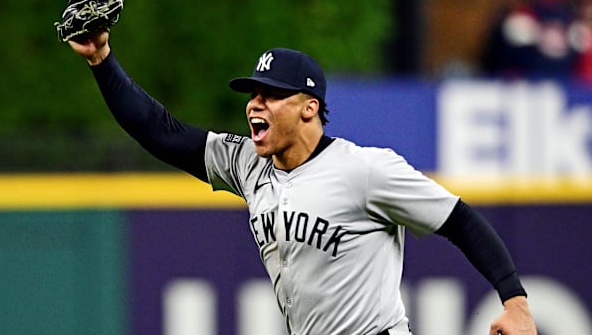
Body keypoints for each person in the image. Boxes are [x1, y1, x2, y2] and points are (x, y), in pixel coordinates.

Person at [67, 31, 538, 335]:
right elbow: (159, 130)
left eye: (270, 95)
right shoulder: (247, 164)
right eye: (252, 95)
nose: (254, 105)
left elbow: (460, 220)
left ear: (308, 107)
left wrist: (514, 300)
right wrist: (102, 61)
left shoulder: (366, 170)